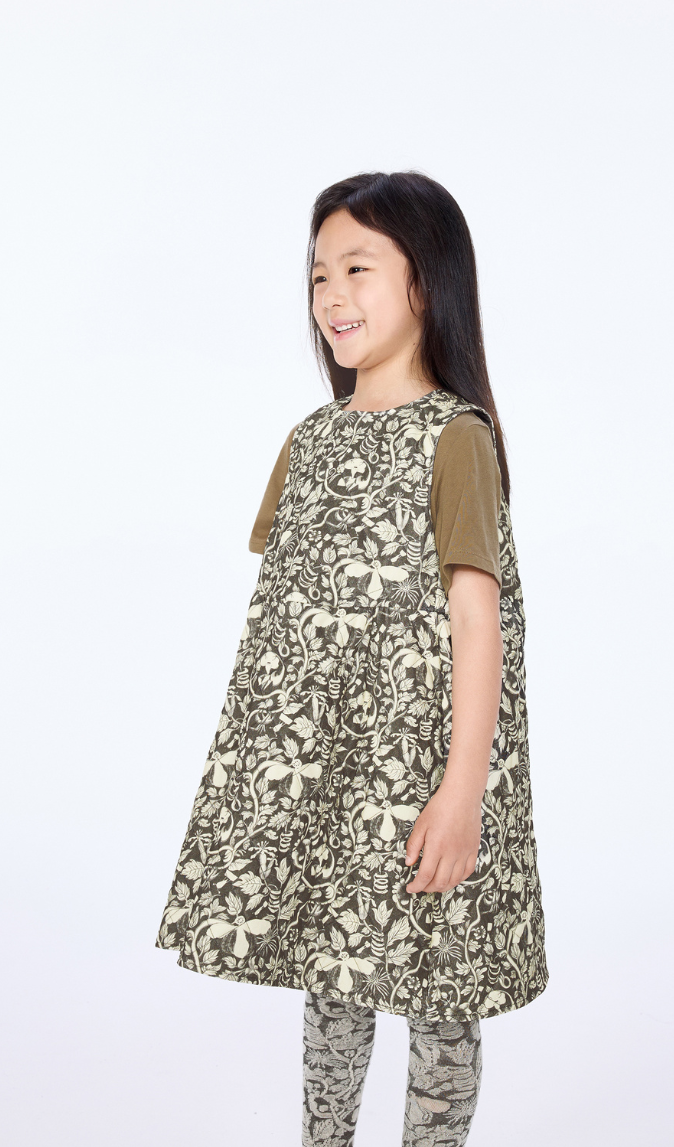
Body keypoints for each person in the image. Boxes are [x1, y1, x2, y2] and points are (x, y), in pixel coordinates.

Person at [156, 170, 548, 1145]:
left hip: (422, 769)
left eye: (358, 268)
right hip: (332, 770)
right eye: (318, 274)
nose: (331, 294)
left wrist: (462, 791)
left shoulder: (453, 439)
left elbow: (478, 621)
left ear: (425, 282)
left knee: (438, 985)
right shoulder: (310, 440)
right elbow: (297, 611)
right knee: (334, 975)